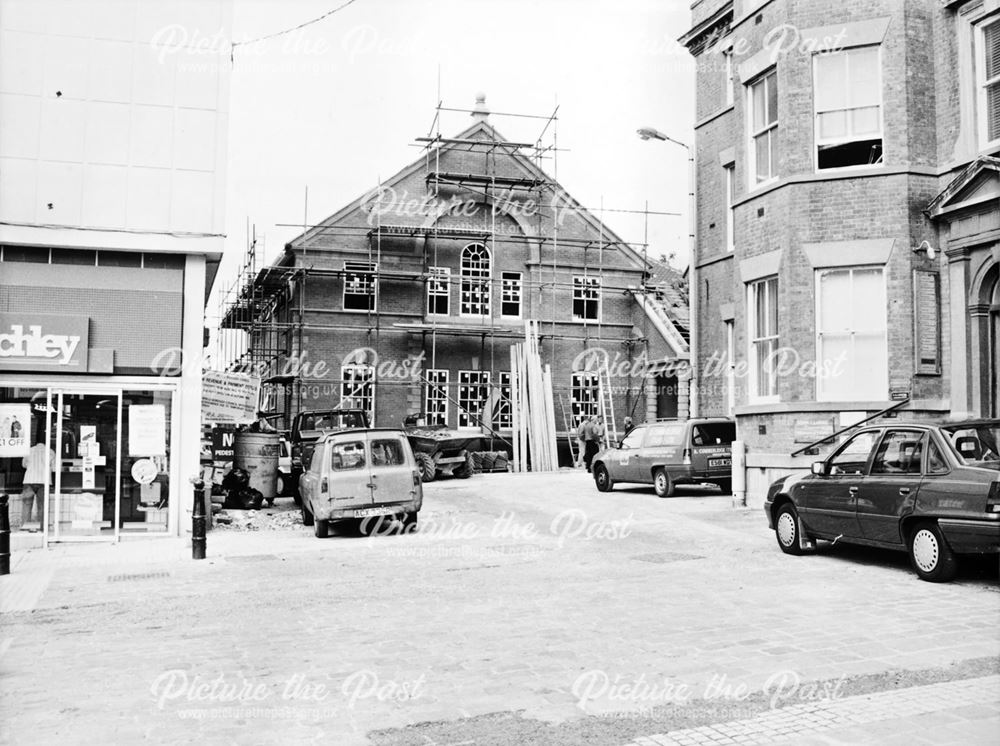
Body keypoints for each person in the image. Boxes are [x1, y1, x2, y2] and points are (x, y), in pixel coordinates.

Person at [21, 438, 55, 526]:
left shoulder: (28, 451)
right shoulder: (50, 452)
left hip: (29, 480)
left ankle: (25, 527)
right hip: (44, 481)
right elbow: (54, 468)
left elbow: (23, 465)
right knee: (42, 506)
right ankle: (42, 528)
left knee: (27, 505)